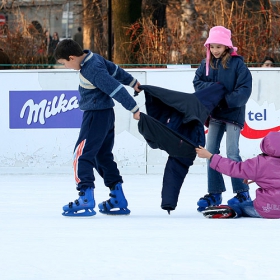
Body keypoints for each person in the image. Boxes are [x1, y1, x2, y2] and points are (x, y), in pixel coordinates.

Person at [54, 39, 141, 217]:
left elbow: (115, 88)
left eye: (64, 64)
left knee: (81, 155)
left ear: (71, 58)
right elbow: (115, 70)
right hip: (107, 116)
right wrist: (132, 82)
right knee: (102, 156)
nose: (66, 67)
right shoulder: (94, 58)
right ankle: (118, 198)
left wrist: (134, 108)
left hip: (95, 116)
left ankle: (85, 197)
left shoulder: (90, 69)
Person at [193, 26, 252, 212]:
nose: (215, 50)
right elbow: (197, 83)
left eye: (219, 46)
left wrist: (224, 100)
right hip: (215, 114)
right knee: (210, 151)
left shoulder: (238, 64)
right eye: (212, 46)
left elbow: (244, 89)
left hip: (232, 113)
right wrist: (214, 92)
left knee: (232, 153)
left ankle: (242, 191)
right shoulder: (206, 64)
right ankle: (215, 192)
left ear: (227, 46)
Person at [195, 131, 280, 219]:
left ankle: (233, 210)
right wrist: (259, 177)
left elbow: (234, 168)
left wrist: (211, 156)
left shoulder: (259, 163)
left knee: (240, 206)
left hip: (266, 209)